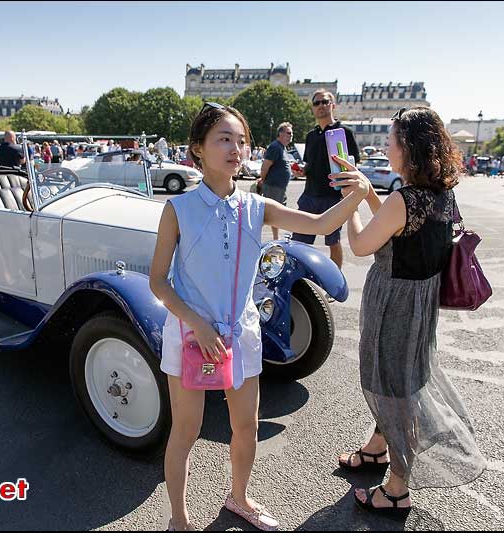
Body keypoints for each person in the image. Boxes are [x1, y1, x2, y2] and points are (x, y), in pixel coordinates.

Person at [149, 102, 368, 532]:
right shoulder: (178, 209)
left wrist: (357, 192)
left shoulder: (256, 205)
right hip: (194, 336)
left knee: (246, 425)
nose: (236, 148)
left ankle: (240, 497)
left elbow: (322, 223)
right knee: (186, 431)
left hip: (241, 333)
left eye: (241, 140)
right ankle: (179, 519)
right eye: (224, 139)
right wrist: (198, 322)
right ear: (198, 149)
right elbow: (158, 281)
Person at [333, 106, 485, 518]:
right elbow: (397, 224)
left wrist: (350, 204)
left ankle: (397, 487)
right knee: (400, 378)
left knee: (391, 387)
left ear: (409, 148)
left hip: (394, 302)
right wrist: (367, 192)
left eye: (392, 139)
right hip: (420, 301)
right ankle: (378, 447)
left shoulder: (404, 199)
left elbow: (365, 244)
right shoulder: (439, 193)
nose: (386, 145)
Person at [291, 89, 360, 270]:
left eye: (325, 102)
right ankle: (300, 279)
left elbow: (354, 165)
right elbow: (310, 165)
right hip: (309, 196)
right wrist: (302, 171)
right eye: (317, 103)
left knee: (333, 241)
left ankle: (334, 283)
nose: (321, 106)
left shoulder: (344, 132)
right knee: (299, 242)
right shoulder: (310, 136)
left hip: (333, 197)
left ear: (333, 106)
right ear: (313, 109)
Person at [257, 122, 294, 240]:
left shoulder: (282, 148)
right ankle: (258, 236)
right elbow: (265, 165)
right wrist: (262, 180)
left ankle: (276, 238)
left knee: (274, 213)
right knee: (270, 213)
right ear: (280, 133)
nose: (291, 135)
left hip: (279, 188)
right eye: (288, 133)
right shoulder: (275, 146)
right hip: (273, 187)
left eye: (291, 133)